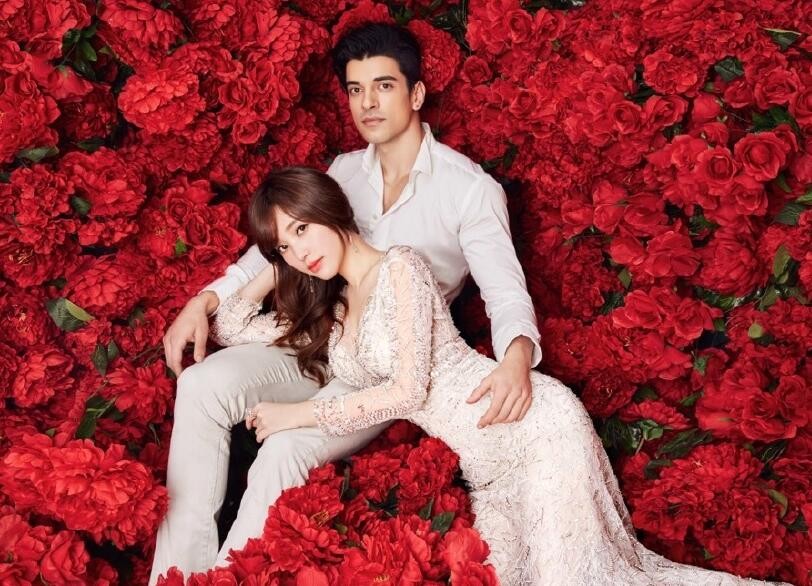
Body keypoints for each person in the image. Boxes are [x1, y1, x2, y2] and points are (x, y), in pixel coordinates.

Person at [210, 166, 788, 586]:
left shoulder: (401, 267)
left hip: (533, 428)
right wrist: (276, 262)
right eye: (283, 246)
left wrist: (296, 414)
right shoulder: (333, 314)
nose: (299, 253)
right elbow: (231, 323)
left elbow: (408, 391)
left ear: (331, 210)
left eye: (303, 230)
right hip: (487, 463)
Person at [150, 23, 541, 583]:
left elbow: (504, 291)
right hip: (318, 339)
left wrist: (517, 356)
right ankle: (177, 573)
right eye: (356, 90)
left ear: (416, 93)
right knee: (201, 383)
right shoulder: (342, 171)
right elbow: (275, 251)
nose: (368, 103)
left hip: (382, 371)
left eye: (383, 86)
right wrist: (205, 299)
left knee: (285, 449)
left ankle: (228, 579)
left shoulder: (469, 190)